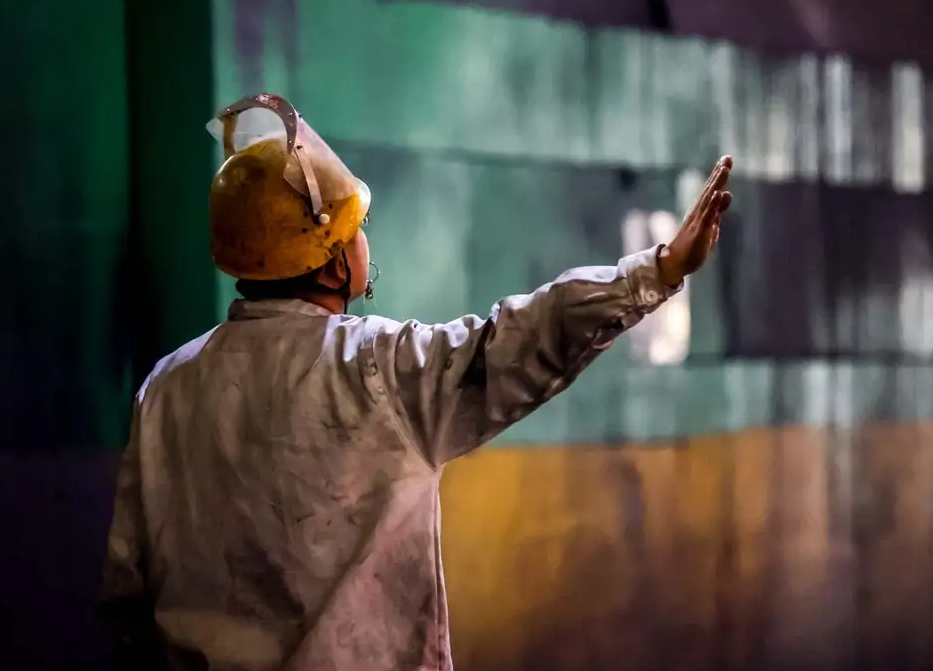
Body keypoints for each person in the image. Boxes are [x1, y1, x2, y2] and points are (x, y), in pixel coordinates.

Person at [99, 93, 734, 671]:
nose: (363, 241)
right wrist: (657, 271)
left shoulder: (165, 389)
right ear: (333, 260)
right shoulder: (379, 367)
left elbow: (128, 591)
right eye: (355, 229)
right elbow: (525, 337)